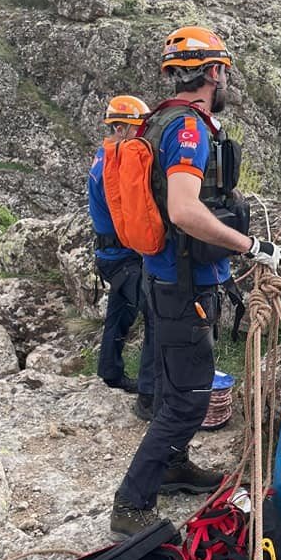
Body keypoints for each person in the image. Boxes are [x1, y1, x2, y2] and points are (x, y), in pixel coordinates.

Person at [110, 25, 281, 539]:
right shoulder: (187, 129)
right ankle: (131, 503)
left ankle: (173, 464)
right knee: (188, 397)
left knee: (171, 382)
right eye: (224, 71)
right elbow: (185, 210)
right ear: (213, 72)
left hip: (164, 275)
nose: (226, 80)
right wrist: (249, 246)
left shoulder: (160, 120)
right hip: (184, 283)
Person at [88, 95, 155, 419]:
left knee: (121, 311)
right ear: (123, 128)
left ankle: (110, 371)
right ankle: (149, 395)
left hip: (113, 254)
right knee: (156, 314)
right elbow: (130, 212)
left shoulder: (106, 157)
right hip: (121, 256)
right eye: (140, 128)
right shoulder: (112, 167)